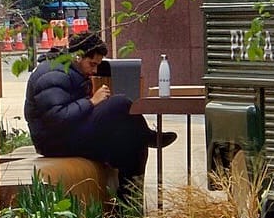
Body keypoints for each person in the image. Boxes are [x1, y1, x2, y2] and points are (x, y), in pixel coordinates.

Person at [24, 29, 175, 203]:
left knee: (133, 141)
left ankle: (129, 205)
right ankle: (148, 136)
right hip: (53, 142)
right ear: (78, 57)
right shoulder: (52, 74)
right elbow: (56, 117)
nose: (94, 70)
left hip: (67, 135)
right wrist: (91, 102)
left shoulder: (70, 71)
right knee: (120, 103)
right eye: (92, 64)